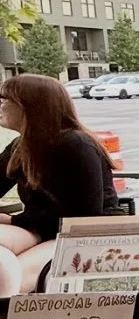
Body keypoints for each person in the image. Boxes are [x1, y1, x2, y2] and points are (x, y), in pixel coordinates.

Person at [0, 74, 120, 295]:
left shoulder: (76, 145)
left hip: (80, 235)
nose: (1, 104)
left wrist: (13, 219)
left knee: (13, 276)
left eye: (5, 98)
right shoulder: (21, 147)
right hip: (39, 229)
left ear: (29, 106)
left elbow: (85, 215)